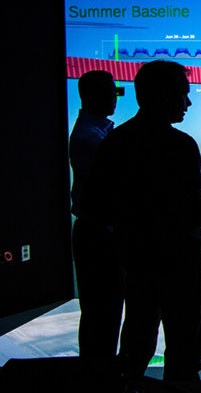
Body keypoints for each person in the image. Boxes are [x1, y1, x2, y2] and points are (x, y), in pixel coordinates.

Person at [81, 60, 201, 381]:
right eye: (183, 94)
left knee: (135, 351)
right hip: (182, 267)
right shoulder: (181, 146)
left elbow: (94, 205)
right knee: (185, 358)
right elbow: (196, 216)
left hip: (137, 266)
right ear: (163, 95)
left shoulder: (115, 142)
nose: (188, 103)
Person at [69, 70, 124, 381]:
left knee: (99, 315)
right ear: (90, 96)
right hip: (99, 237)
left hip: (96, 234)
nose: (114, 98)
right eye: (109, 92)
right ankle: (97, 379)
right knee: (102, 316)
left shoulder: (93, 132)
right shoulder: (93, 138)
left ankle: (96, 376)